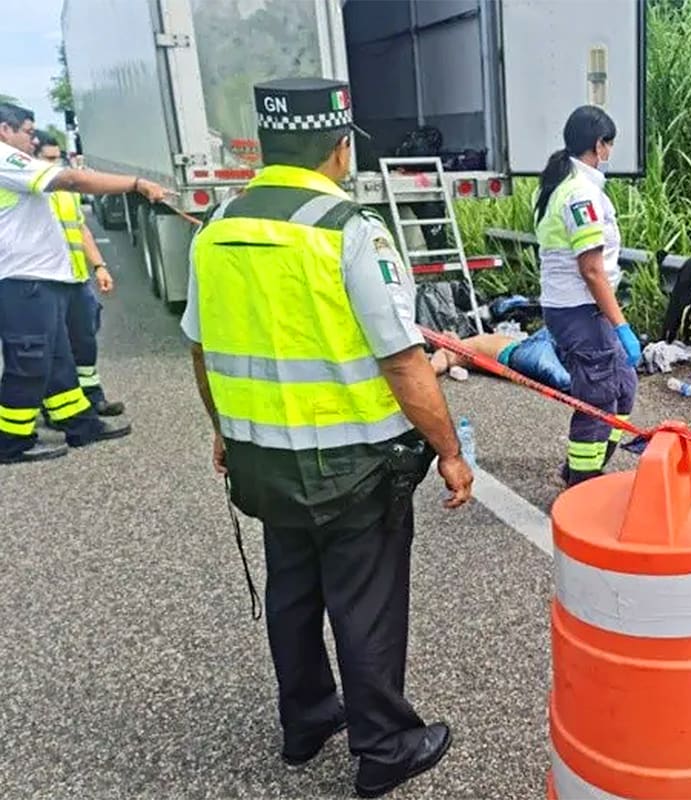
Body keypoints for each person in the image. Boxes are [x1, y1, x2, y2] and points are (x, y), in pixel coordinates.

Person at [180, 78, 472, 799]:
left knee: (293, 590)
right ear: (340, 149)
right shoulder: (349, 230)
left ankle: (306, 722)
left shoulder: (215, 228)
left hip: (260, 462)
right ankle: (386, 746)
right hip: (350, 466)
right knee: (364, 602)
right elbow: (402, 359)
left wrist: (224, 431)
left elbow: (200, 347)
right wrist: (449, 451)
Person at [0, 102, 164, 463]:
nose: (32, 140)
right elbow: (72, 180)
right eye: (27, 132)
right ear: (4, 131)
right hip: (23, 280)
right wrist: (135, 184)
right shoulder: (4, 159)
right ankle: (10, 441)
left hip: (41, 279)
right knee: (28, 363)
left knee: (58, 358)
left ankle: (78, 422)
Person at [533, 105, 639, 487]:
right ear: (599, 145)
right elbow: (591, 269)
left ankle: (588, 468)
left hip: (579, 308)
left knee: (623, 387)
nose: (610, 152)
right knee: (598, 399)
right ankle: (582, 481)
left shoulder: (566, 186)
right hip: (579, 310)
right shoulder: (579, 194)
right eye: (609, 145)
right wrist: (621, 325)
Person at [33, 130, 125, 416]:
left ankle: (92, 396)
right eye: (47, 159)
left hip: (75, 279)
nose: (55, 166)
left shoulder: (65, 194)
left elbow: (80, 228)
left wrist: (99, 266)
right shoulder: (30, 194)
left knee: (84, 340)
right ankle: (56, 404)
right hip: (44, 282)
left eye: (57, 159)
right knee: (52, 346)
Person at [428, 326, 572, 393]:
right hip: (515, 356)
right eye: (442, 335)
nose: (447, 333)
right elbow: (430, 369)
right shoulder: (450, 353)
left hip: (529, 344)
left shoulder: (468, 340)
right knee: (560, 377)